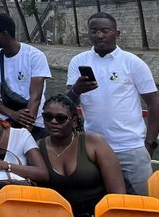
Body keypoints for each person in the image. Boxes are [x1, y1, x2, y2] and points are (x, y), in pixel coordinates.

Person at [67, 12, 159, 195]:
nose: (99, 35)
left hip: (131, 147)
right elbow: (66, 104)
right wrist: (76, 90)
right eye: (93, 31)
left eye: (105, 30)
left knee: (142, 201)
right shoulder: (78, 62)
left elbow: (154, 103)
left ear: (117, 33)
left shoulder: (133, 63)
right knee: (100, 200)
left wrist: (150, 144)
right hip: (93, 148)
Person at [37, 94, 126, 216]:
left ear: (73, 122)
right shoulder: (37, 148)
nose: (53, 122)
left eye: (61, 118)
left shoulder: (94, 142)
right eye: (48, 117)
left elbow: (117, 193)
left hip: (96, 212)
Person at [0, 12, 51, 139]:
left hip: (34, 122)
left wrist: (25, 133)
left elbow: (35, 98)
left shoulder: (35, 56)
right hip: (8, 121)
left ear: (4, 34)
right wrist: (13, 115)